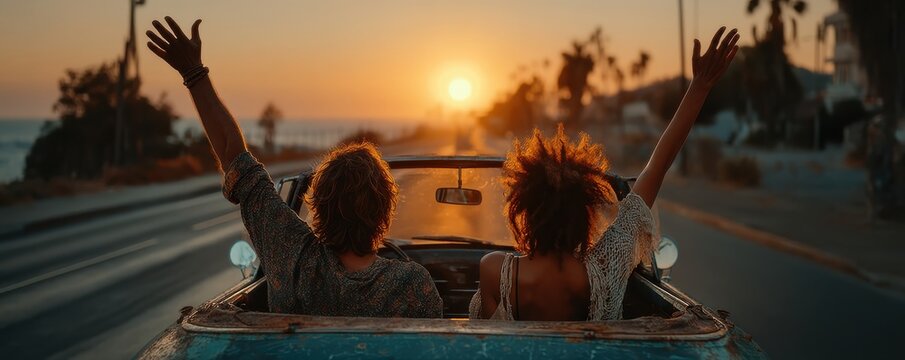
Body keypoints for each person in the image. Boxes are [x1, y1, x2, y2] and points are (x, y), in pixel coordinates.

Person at [145, 17, 441, 318]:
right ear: (384, 210)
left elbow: (233, 154)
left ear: (319, 208)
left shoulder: (293, 254)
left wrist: (194, 73)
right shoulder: (413, 284)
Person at [470, 27, 740, 321]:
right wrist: (699, 87)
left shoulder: (495, 269)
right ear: (583, 211)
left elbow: (486, 340)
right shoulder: (606, 264)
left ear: (525, 211)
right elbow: (656, 168)